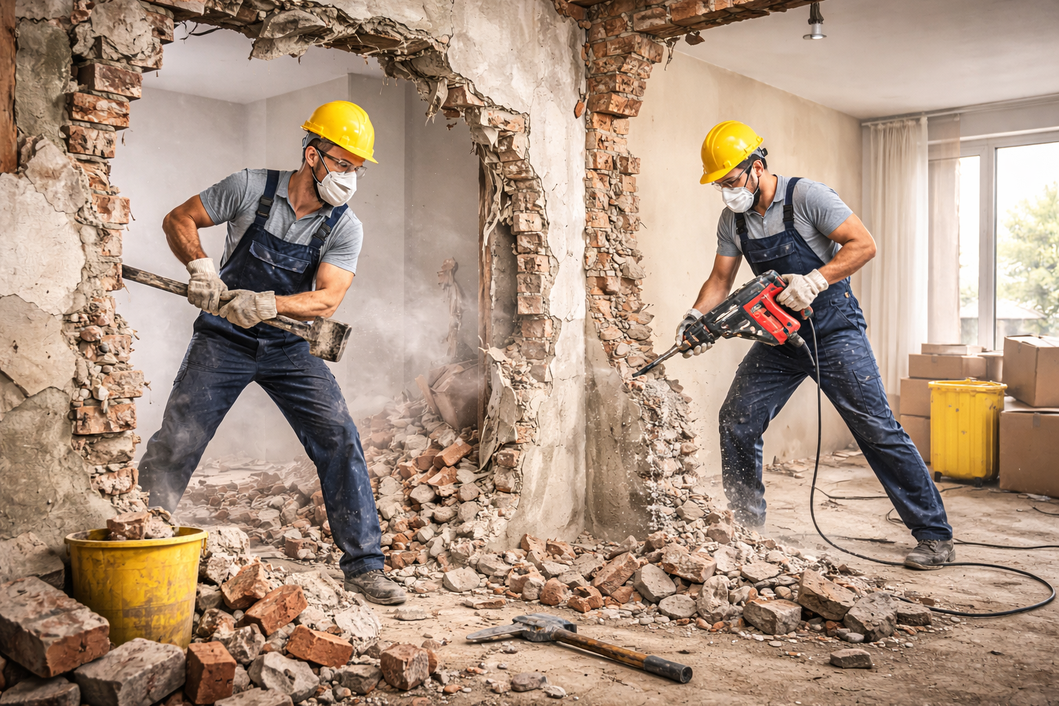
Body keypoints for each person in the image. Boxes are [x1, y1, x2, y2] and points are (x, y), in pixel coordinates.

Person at [138, 101, 405, 604]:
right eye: (342, 164)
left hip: (291, 346)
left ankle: (366, 565)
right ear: (312, 155)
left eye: (357, 169)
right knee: (178, 439)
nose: (349, 178)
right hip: (224, 339)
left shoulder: (344, 227)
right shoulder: (250, 187)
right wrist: (200, 269)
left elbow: (327, 297)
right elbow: (180, 219)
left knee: (339, 439)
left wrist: (267, 303)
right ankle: (140, 538)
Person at [678, 120, 954, 570]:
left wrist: (815, 279)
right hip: (781, 335)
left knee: (875, 427)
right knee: (737, 418)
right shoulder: (733, 219)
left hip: (833, 329)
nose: (728, 192)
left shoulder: (808, 197)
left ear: (757, 167)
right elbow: (721, 280)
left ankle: (934, 535)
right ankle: (747, 529)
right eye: (721, 185)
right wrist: (696, 317)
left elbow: (863, 245)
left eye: (731, 181)